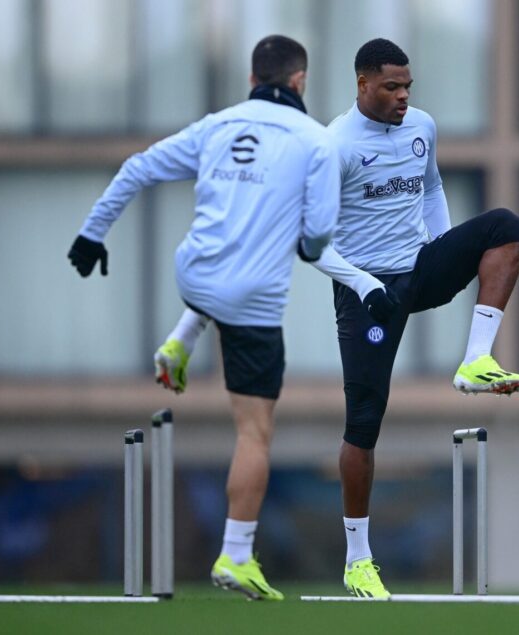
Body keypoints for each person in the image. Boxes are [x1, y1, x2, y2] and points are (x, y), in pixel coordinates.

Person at [155, 38, 519, 598]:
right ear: (362, 84)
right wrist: (363, 283)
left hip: (418, 269)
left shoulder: (422, 126)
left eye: (408, 87)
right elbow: (313, 242)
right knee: (364, 424)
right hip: (364, 291)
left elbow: (432, 186)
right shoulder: (332, 146)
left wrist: (441, 241)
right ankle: (358, 560)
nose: (403, 97)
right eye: (391, 87)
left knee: (505, 226)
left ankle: (476, 357)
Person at [68, 35, 339, 600]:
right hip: (252, 300)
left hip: (193, 275)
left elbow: (137, 167)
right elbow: (316, 234)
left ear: (251, 79)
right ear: (299, 82)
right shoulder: (316, 141)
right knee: (255, 432)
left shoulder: (216, 125)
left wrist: (92, 234)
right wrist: (308, 247)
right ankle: (236, 556)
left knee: (219, 273)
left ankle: (179, 341)